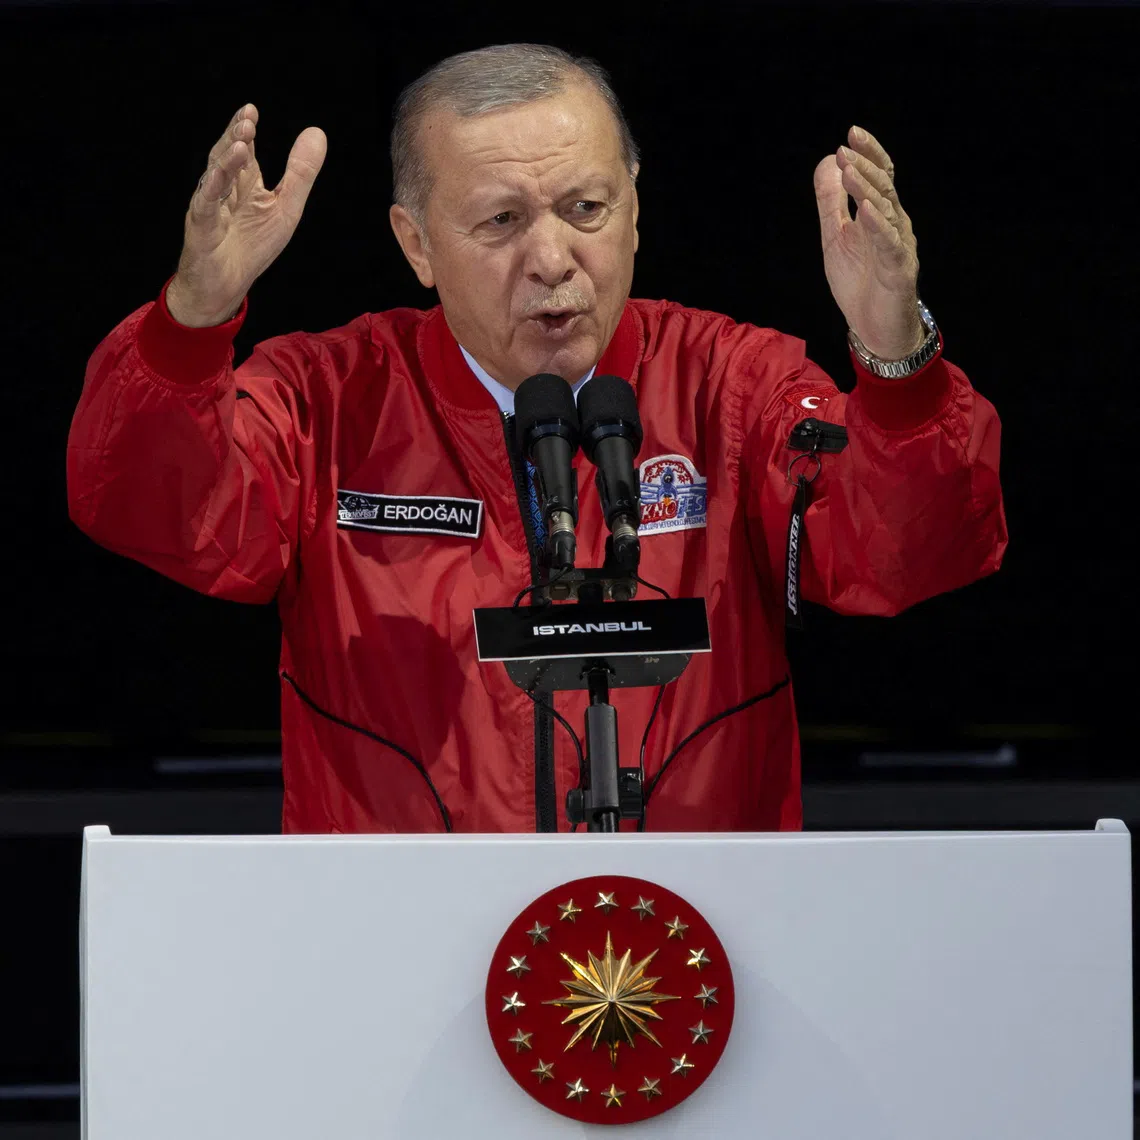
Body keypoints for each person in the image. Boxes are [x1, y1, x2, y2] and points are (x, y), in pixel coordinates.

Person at [66, 44, 1006, 834]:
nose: (553, 258)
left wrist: (895, 357)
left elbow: (904, 556)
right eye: (503, 221)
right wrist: (191, 323)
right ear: (417, 244)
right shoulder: (328, 398)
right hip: (398, 961)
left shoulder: (733, 383)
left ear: (635, 207)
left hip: (693, 960)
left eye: (586, 210)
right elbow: (154, 508)